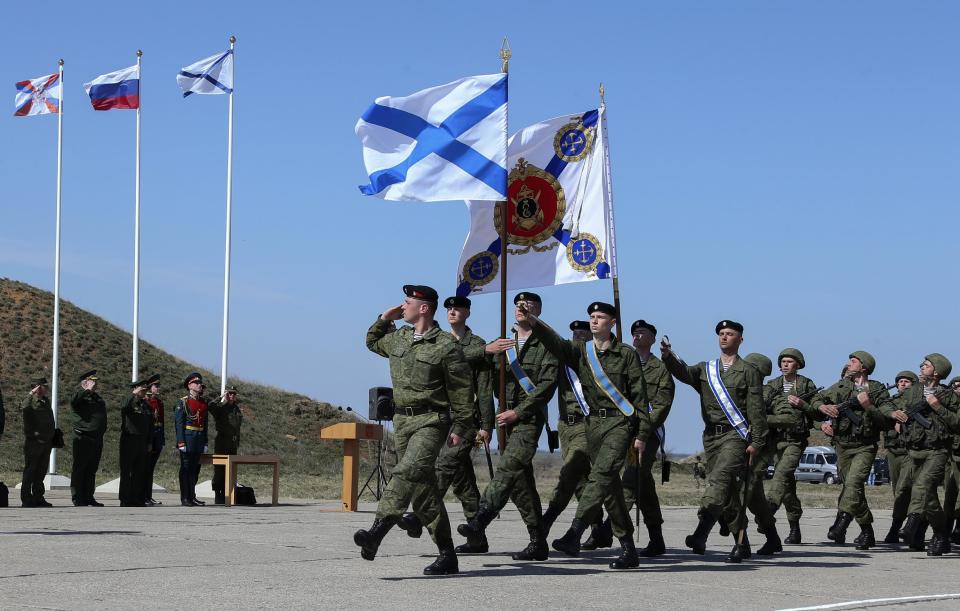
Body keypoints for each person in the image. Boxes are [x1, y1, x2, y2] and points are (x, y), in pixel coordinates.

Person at [357, 285, 473, 576]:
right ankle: (447, 555)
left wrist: (460, 426)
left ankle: (376, 532)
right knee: (423, 492)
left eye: (407, 302)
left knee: (406, 472)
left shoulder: (446, 346)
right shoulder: (399, 339)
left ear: (423, 308)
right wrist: (384, 318)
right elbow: (372, 342)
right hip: (402, 422)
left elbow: (461, 391)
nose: (402, 306)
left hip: (431, 421)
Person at [527, 301, 649, 570]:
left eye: (600, 317)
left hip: (620, 423)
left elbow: (640, 396)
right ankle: (629, 549)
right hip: (592, 425)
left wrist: (641, 433)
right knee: (611, 491)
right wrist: (533, 321)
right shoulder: (581, 351)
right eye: (592, 317)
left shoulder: (626, 354)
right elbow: (556, 342)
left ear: (612, 322)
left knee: (601, 475)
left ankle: (575, 531)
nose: (594, 321)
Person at [458, 292, 558, 562]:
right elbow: (458, 359)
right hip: (504, 419)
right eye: (517, 305)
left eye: (528, 305)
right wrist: (484, 351)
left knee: (509, 467)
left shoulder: (547, 345)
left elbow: (547, 387)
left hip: (528, 418)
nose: (521, 308)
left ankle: (480, 519)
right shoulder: (502, 343)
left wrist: (519, 412)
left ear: (539, 310)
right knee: (520, 483)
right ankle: (538, 542)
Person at [660, 320, 767, 563]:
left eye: (730, 334)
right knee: (727, 494)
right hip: (711, 436)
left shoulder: (748, 371)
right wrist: (668, 357)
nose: (724, 337)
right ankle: (743, 544)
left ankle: (700, 533)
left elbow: (756, 409)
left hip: (736, 435)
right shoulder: (706, 369)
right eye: (721, 334)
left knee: (718, 480)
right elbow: (684, 373)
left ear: (740, 339)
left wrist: (757, 441)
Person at [397, 295, 495, 553]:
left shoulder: (478, 344)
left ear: (467, 313)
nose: (452, 312)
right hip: (439, 418)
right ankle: (477, 536)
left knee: (444, 464)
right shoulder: (437, 338)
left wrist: (487, 425)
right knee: (463, 482)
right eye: (449, 308)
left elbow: (484, 389)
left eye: (458, 308)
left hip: (465, 420)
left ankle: (419, 516)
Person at [808, 351, 893, 549]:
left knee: (854, 482)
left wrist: (868, 406)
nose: (849, 364)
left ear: (864, 367)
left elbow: (885, 420)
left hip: (865, 445)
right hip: (842, 445)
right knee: (852, 488)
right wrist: (823, 409)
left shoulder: (877, 389)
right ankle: (867, 531)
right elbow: (816, 400)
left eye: (853, 361)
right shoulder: (841, 386)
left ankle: (842, 522)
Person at [884, 354, 960, 555]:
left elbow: (958, 422)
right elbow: (887, 405)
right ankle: (940, 533)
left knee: (923, 486)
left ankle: (929, 531)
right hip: (914, 450)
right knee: (925, 495)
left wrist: (937, 407)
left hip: (937, 450)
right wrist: (895, 415)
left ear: (936, 372)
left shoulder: (948, 395)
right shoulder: (912, 392)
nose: (921, 367)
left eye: (926, 365)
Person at [540, 321, 594, 544]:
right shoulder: (561, 360)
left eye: (583, 333)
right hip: (566, 426)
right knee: (583, 480)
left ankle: (548, 521)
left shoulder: (597, 360)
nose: (578, 336)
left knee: (570, 473)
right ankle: (600, 527)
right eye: (574, 333)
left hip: (588, 423)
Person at [765, 348, 819, 545]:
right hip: (776, 440)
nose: (784, 365)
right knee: (787, 486)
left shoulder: (806, 384)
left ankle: (768, 509)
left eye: (789, 361)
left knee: (781, 474)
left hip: (796, 440)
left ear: (797, 364)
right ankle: (794, 527)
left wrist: (802, 404)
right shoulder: (772, 385)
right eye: (782, 361)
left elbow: (817, 412)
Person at [882, 370, 917, 543]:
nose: (902, 384)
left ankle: (897, 527)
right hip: (893, 451)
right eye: (900, 381)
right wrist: (893, 414)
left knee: (904, 489)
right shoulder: (891, 401)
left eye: (906, 381)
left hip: (910, 452)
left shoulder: (918, 401)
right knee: (898, 491)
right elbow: (883, 408)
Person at [70, 370, 107, 507]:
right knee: (80, 468)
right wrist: (87, 391)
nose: (96, 384)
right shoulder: (79, 394)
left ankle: (89, 496)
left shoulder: (96, 397)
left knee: (91, 469)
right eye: (93, 381)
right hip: (83, 437)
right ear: (85, 382)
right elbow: (74, 402)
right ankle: (77, 497)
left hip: (96, 437)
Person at [175, 372, 209, 507]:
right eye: (197, 383)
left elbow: (205, 424)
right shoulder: (183, 402)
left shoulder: (202, 403)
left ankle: (192, 496)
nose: (199, 385)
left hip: (199, 439)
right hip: (188, 439)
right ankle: (185, 498)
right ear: (190, 385)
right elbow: (179, 424)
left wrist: (205, 441)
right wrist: (181, 442)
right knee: (186, 469)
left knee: (195, 469)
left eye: (200, 383)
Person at [119, 377, 154, 507]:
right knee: (127, 471)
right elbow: (123, 407)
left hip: (143, 441)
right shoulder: (129, 401)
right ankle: (125, 498)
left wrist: (150, 442)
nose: (144, 391)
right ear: (135, 389)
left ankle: (136, 498)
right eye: (142, 389)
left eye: (145, 389)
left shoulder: (146, 405)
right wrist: (134, 394)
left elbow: (151, 425)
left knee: (139, 471)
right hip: (129, 440)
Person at [21, 376, 55, 507]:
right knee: (30, 470)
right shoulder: (30, 401)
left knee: (41, 471)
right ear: (38, 387)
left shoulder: (45, 401)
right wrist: (31, 393)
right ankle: (26, 498)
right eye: (44, 386)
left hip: (46, 442)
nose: (47, 388)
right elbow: (24, 407)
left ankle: (38, 497)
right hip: (34, 442)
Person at [208, 385, 244, 504]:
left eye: (233, 394)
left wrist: (237, 442)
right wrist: (221, 397)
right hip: (222, 442)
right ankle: (218, 493)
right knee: (219, 469)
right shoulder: (221, 408)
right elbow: (210, 406)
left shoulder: (237, 410)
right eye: (229, 393)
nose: (232, 396)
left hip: (232, 443)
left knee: (231, 469)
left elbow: (237, 428)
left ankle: (227, 492)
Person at [144, 375, 165, 505]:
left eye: (158, 386)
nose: (158, 388)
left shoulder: (159, 402)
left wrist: (162, 440)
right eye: (155, 386)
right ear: (150, 387)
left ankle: (149, 496)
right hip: (149, 437)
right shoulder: (146, 402)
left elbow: (161, 422)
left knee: (151, 469)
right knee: (145, 468)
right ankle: (144, 496)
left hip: (157, 437)